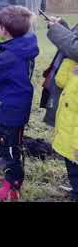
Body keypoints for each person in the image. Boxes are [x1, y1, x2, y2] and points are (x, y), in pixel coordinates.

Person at [0, 6, 39, 201]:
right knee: (12, 145)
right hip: (15, 106)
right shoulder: (24, 45)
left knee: (11, 149)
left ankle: (12, 187)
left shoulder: (8, 57)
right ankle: (10, 175)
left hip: (9, 110)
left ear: (4, 30)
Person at [51, 58, 78, 201]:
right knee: (70, 161)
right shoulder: (74, 62)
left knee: (75, 162)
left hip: (76, 133)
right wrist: (70, 59)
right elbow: (60, 80)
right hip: (68, 126)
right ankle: (75, 188)